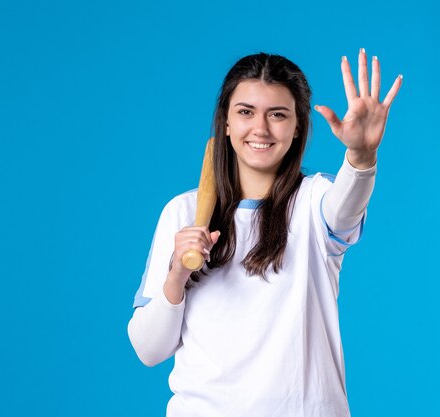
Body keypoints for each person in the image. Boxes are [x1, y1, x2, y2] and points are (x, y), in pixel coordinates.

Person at [127, 49, 402, 417]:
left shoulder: (314, 201)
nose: (261, 129)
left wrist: (362, 156)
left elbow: (347, 204)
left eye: (278, 115)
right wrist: (176, 276)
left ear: (298, 126)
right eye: (245, 112)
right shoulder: (182, 213)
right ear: (225, 121)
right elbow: (149, 350)